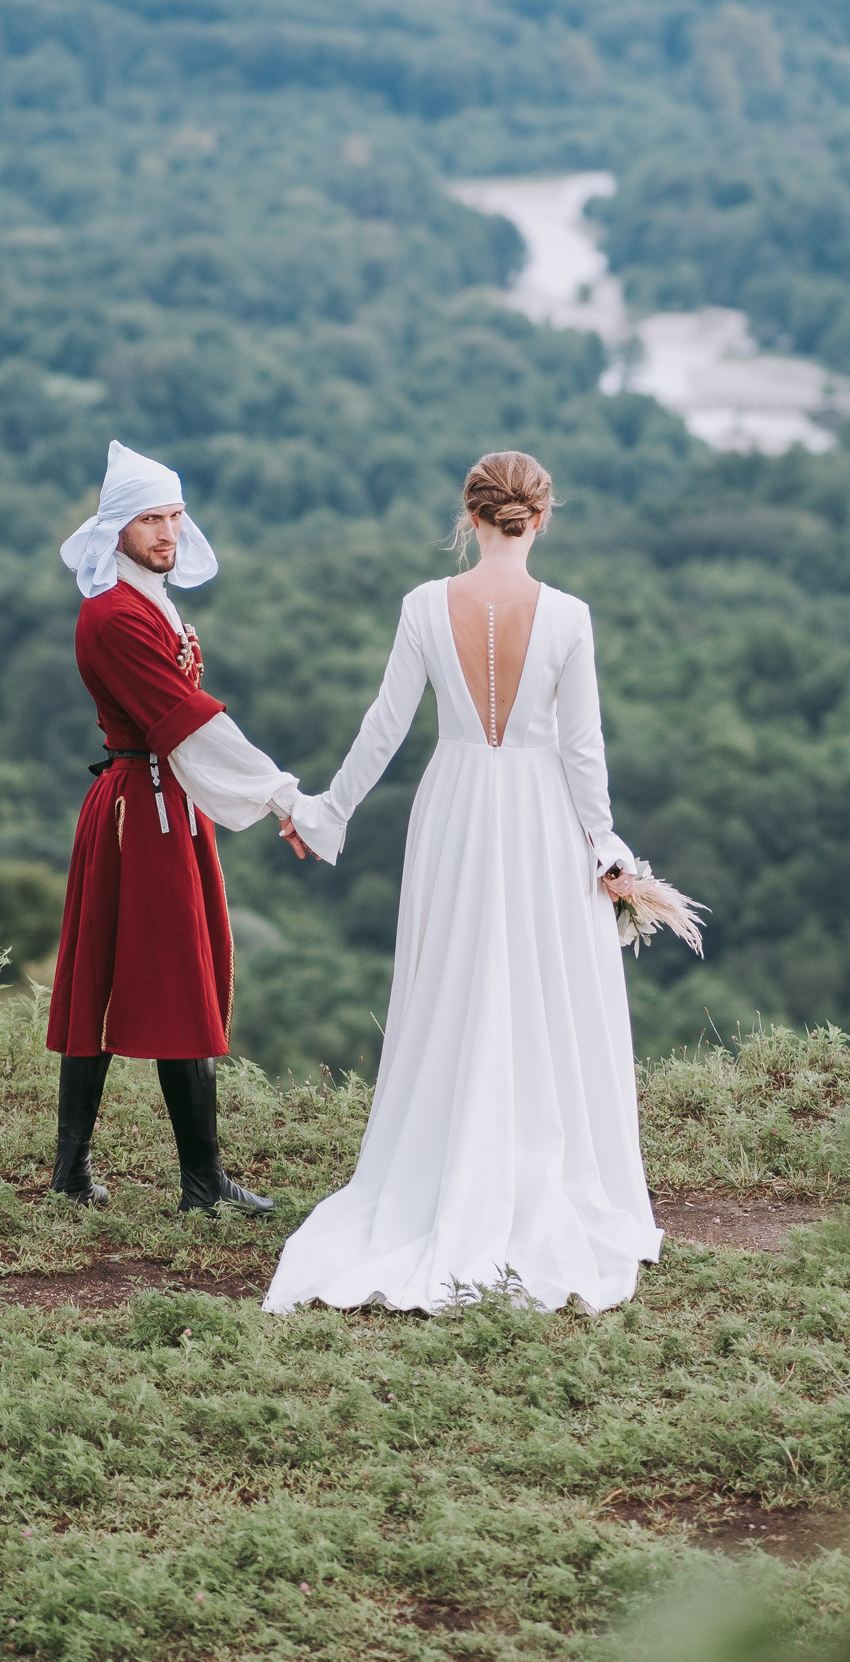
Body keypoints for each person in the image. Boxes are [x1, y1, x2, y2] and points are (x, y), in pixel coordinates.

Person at [263, 450, 663, 1313]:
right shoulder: (568, 616)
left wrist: (326, 812)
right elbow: (583, 748)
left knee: (455, 979)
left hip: (452, 809)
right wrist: (608, 848)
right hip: (541, 813)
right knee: (540, 986)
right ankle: (534, 1166)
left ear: (470, 517)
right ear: (541, 517)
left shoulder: (421, 605)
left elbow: (384, 728)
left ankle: (442, 1165)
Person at [45, 440, 310, 1216]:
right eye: (150, 518)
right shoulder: (115, 616)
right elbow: (187, 723)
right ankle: (173, 1183)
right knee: (142, 980)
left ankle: (172, 1179)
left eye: (174, 516)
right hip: (143, 808)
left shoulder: (146, 601)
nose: (167, 532)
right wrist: (281, 795)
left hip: (162, 802)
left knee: (174, 976)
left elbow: (184, 726)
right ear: (117, 526)